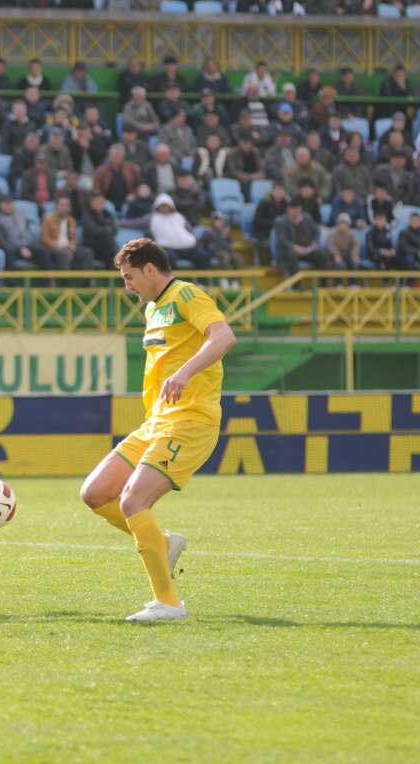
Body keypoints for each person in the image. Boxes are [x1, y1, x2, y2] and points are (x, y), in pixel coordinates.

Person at [79, 238, 238, 622]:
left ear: (150, 269)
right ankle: (162, 543)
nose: (127, 286)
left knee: (133, 501)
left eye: (129, 277)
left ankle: (168, 603)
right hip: (157, 422)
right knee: (95, 493)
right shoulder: (153, 308)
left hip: (190, 422)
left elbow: (224, 336)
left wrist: (185, 373)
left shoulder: (186, 295)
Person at [273, 198, 330, 278]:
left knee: (323, 255)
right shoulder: (282, 222)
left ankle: (322, 282)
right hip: (290, 251)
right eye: (292, 209)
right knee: (292, 255)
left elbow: (316, 232)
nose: (294, 211)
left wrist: (314, 242)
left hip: (307, 249)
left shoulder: (307, 218)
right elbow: (282, 240)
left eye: (296, 209)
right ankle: (296, 283)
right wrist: (295, 247)